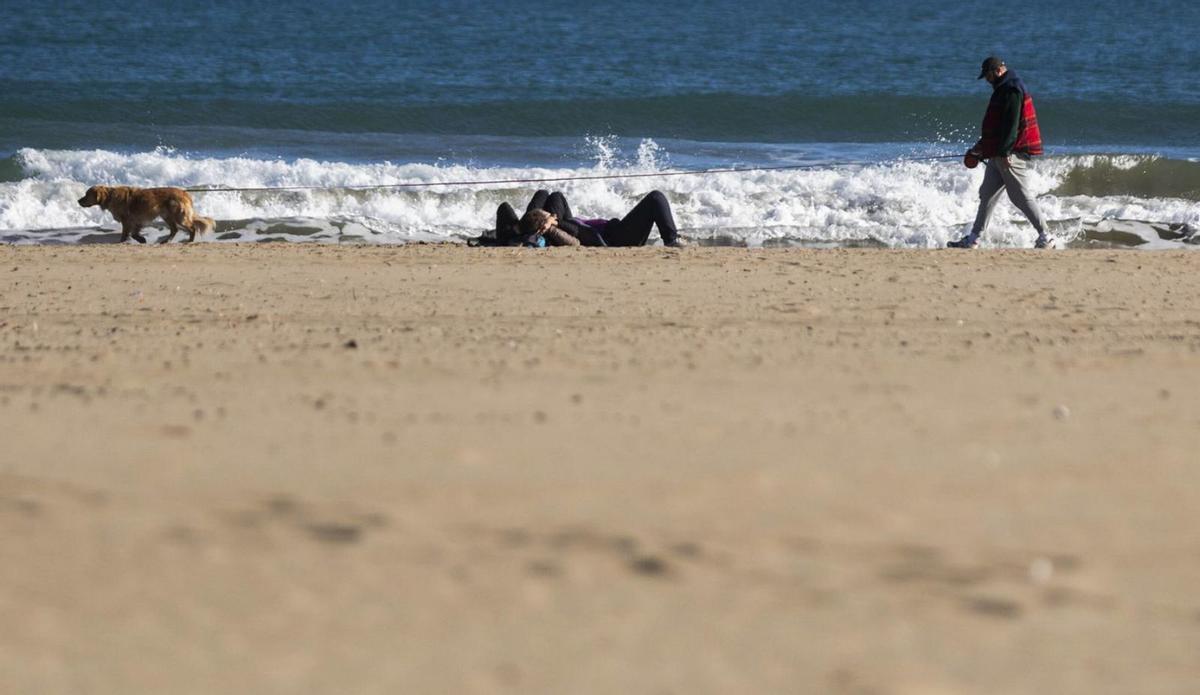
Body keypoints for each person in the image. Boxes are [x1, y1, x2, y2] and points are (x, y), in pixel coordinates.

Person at [948, 56, 1050, 249]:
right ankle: (974, 239)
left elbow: (1011, 126)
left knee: (1020, 196)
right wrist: (979, 149)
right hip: (999, 153)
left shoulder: (1011, 89)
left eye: (987, 75)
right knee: (986, 194)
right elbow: (996, 127)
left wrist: (1004, 152)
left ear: (997, 71)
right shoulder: (1002, 88)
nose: (986, 79)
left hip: (1011, 153)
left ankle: (1046, 236)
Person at [489, 189, 688, 248]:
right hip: (616, 237)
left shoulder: (563, 223)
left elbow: (552, 198)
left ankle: (525, 227)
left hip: (608, 231)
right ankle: (671, 240)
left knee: (551, 194)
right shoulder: (575, 232)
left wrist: (550, 218)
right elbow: (580, 235)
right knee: (655, 197)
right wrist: (553, 223)